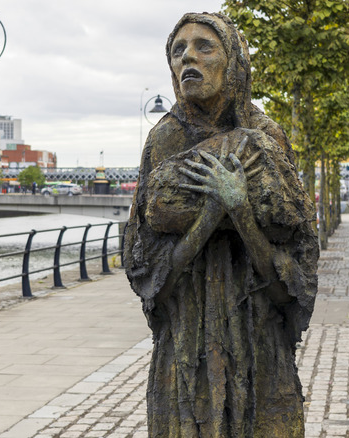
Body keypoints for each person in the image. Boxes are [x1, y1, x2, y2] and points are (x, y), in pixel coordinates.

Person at [124, 13, 318, 437]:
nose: (187, 57)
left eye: (203, 46)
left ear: (233, 61)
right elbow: (151, 271)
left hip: (257, 339)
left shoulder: (265, 135)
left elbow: (290, 275)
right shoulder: (163, 141)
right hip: (187, 346)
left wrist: (241, 213)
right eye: (178, 51)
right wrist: (210, 216)